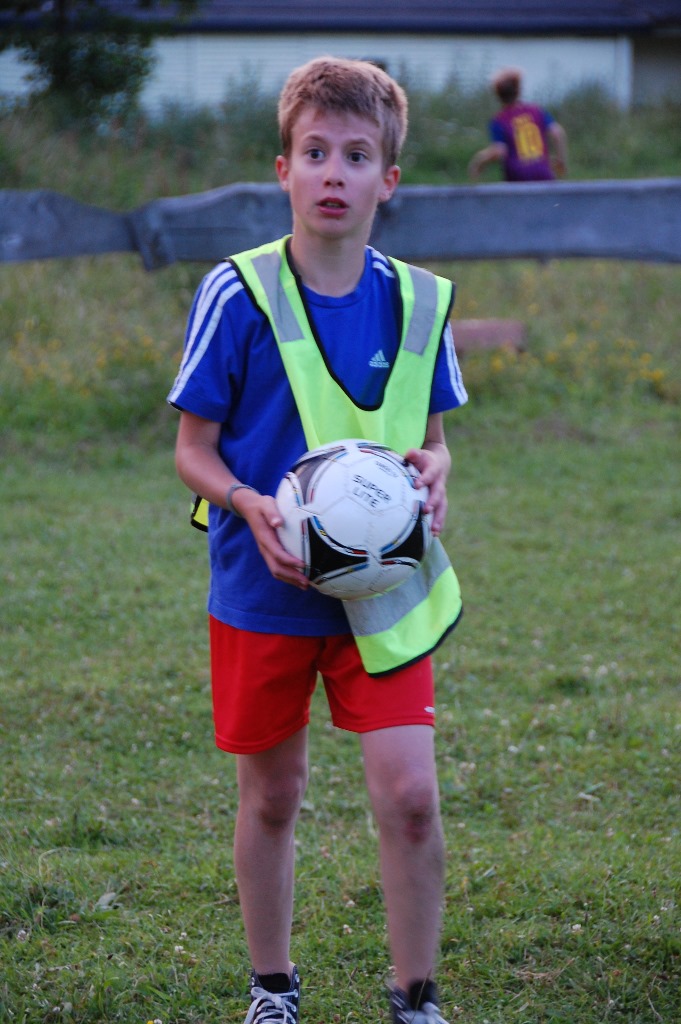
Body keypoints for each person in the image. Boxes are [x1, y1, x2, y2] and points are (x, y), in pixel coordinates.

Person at [168, 56, 468, 1024]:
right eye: (314, 152)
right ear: (284, 170)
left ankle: (415, 997)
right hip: (266, 587)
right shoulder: (238, 293)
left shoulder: (421, 302)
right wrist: (248, 503)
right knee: (272, 795)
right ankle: (273, 987)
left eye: (356, 155)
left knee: (410, 795)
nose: (333, 172)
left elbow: (431, 437)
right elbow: (192, 450)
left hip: (387, 591)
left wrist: (437, 468)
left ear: (389, 179)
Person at [468, 66, 568, 182]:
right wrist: (561, 161)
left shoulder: (499, 120)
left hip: (518, 178)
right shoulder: (536, 111)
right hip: (544, 174)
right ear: (519, 90)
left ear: (497, 94)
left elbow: (499, 150)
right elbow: (557, 133)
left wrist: (479, 161)